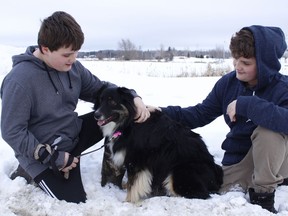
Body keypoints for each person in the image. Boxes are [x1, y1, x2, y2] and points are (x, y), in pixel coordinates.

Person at [0, 11, 150, 203]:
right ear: (45, 49)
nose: (73, 58)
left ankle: (113, 172)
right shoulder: (19, 81)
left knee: (123, 114)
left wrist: (133, 97)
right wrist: (51, 157)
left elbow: (102, 90)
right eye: (67, 54)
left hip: (73, 133)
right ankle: (27, 170)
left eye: (76, 52)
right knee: (73, 201)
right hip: (46, 151)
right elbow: (12, 131)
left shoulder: (73, 68)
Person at [148, 25, 288, 213]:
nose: (238, 66)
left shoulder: (282, 87)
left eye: (246, 62)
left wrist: (246, 105)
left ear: (266, 64)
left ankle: (263, 199)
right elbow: (200, 113)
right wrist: (161, 112)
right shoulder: (229, 83)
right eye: (235, 59)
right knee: (201, 185)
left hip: (277, 160)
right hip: (240, 163)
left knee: (269, 131)